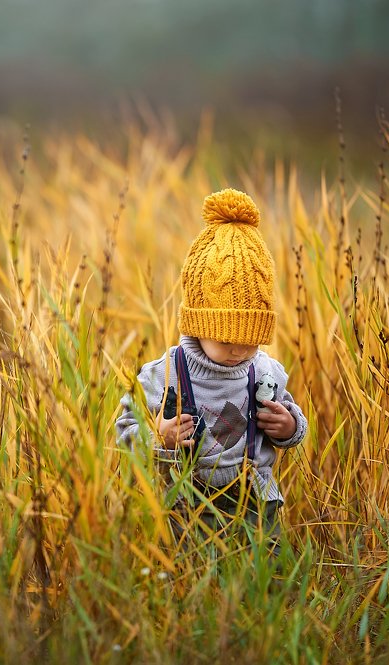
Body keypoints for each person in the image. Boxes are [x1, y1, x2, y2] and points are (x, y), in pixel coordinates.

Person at [116, 188, 308, 555]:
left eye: (249, 340)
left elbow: (291, 417)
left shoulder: (265, 371)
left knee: (265, 574)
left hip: (255, 503)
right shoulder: (166, 374)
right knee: (193, 571)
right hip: (189, 504)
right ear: (198, 324)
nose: (238, 350)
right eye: (225, 339)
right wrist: (158, 435)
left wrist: (290, 427)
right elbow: (125, 429)